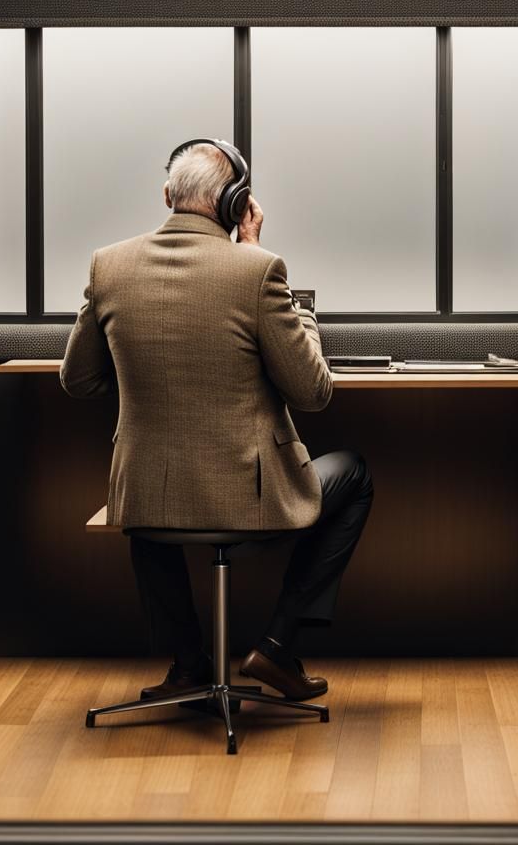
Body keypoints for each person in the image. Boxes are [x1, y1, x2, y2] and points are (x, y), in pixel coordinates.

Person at [59, 140, 373, 701]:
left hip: (146, 498)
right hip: (246, 500)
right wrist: (295, 302)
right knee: (353, 474)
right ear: (235, 204)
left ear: (166, 196)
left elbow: (77, 380)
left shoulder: (108, 266)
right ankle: (277, 649)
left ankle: (188, 665)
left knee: (150, 506)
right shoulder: (259, 270)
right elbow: (314, 392)